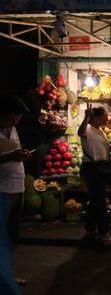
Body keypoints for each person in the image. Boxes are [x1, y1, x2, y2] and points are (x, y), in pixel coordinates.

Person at [0, 95, 31, 291]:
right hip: (2, 190)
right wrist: (12, 156)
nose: (14, 122)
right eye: (12, 118)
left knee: (12, 237)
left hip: (17, 188)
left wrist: (20, 155)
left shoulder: (13, 130)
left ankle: (8, 274)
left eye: (17, 119)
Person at [77, 104, 111, 247]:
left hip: (101, 168)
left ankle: (90, 229)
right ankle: (104, 233)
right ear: (96, 117)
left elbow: (103, 149)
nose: (106, 120)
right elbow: (80, 133)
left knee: (95, 200)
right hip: (92, 169)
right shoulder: (87, 129)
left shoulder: (101, 132)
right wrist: (86, 116)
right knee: (99, 201)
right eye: (104, 117)